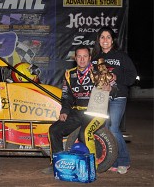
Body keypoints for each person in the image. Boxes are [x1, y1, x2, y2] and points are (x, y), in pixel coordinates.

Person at [43, 45, 108, 174]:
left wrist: (110, 88)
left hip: (96, 112)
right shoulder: (69, 74)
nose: (82, 59)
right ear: (75, 58)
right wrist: (64, 111)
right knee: (54, 130)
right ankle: (57, 163)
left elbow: (114, 86)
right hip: (77, 111)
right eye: (79, 56)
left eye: (85, 56)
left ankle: (92, 166)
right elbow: (67, 96)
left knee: (85, 133)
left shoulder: (99, 72)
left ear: (90, 58)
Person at [93, 26, 137, 174]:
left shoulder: (121, 56)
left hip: (118, 97)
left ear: (113, 40)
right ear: (98, 40)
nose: (105, 40)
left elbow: (132, 77)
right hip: (101, 99)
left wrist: (117, 79)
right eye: (102, 37)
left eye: (108, 37)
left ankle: (124, 160)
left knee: (113, 128)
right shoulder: (94, 59)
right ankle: (111, 160)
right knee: (104, 129)